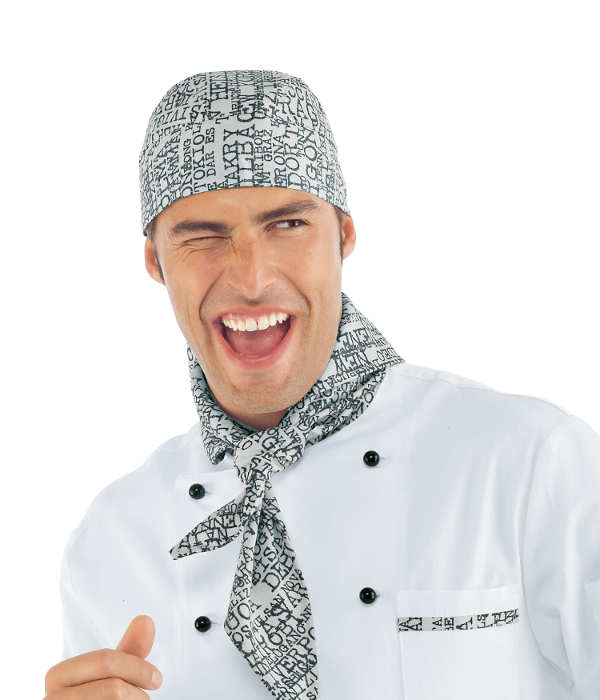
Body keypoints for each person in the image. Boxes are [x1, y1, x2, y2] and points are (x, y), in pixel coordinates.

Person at [45, 69, 600, 700]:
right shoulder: (113, 540)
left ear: (344, 236)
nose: (251, 279)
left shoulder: (531, 463)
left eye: (287, 225)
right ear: (155, 262)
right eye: (203, 236)